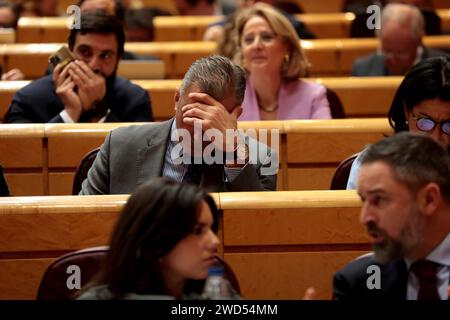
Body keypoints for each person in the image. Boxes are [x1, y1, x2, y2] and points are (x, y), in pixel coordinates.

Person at [80, 55, 276, 195]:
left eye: (213, 119)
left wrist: (234, 153)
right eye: (191, 115)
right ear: (176, 99)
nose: (199, 130)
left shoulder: (260, 159)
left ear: (235, 115)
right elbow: (84, 220)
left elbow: (255, 229)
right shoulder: (119, 145)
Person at [333, 132, 450, 300]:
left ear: (429, 199)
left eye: (379, 199)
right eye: (363, 200)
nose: (365, 218)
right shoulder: (357, 283)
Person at [77, 177, 232, 299]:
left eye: (212, 229)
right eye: (198, 230)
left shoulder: (218, 292)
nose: (215, 241)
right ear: (155, 238)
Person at [5, 12, 153, 123]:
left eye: (106, 56)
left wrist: (98, 109)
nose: (93, 65)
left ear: (118, 59)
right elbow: (21, 156)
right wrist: (70, 112)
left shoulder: (135, 99)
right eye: (85, 52)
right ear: (70, 51)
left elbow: (140, 159)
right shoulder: (28, 98)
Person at [346, 56, 450, 189]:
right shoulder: (373, 164)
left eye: (448, 125)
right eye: (425, 123)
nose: (436, 137)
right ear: (406, 110)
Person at [233, 3, 331, 121]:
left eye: (266, 37)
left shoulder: (313, 96)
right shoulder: (229, 98)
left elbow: (325, 139)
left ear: (287, 47)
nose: (256, 45)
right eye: (249, 40)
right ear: (241, 49)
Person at [352, 3, 447, 77]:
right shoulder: (363, 69)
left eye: (400, 52)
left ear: (419, 40)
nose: (392, 59)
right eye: (386, 50)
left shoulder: (445, 68)